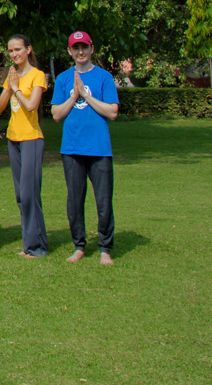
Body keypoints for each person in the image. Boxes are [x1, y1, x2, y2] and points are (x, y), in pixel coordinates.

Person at [50, 30, 119, 265]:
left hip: (99, 149)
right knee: (74, 201)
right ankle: (79, 246)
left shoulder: (104, 77)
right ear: (70, 51)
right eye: (76, 48)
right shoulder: (63, 79)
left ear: (91, 49)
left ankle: (105, 248)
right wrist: (74, 96)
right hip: (72, 149)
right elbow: (56, 114)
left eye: (84, 47)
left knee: (103, 201)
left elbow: (112, 111)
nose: (81, 52)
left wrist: (86, 96)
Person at [0, 33, 50, 257]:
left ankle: (38, 247)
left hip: (31, 139)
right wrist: (9, 87)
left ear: (28, 50)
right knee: (20, 195)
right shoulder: (12, 76)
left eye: (18, 49)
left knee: (29, 194)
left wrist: (16, 87)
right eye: (10, 50)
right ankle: (30, 244)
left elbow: (31, 105)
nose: (14, 54)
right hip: (13, 138)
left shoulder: (37, 75)